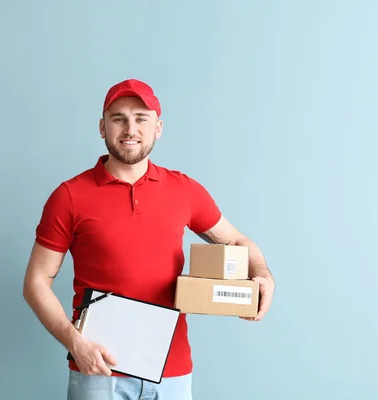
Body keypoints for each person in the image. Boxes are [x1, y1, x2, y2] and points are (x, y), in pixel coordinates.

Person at [22, 78, 275, 400]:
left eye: (141, 118)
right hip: (99, 370)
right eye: (119, 119)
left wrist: (264, 277)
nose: (130, 129)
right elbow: (35, 282)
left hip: (172, 372)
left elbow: (238, 243)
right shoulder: (69, 196)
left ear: (158, 128)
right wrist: (75, 343)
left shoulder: (184, 190)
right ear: (102, 127)